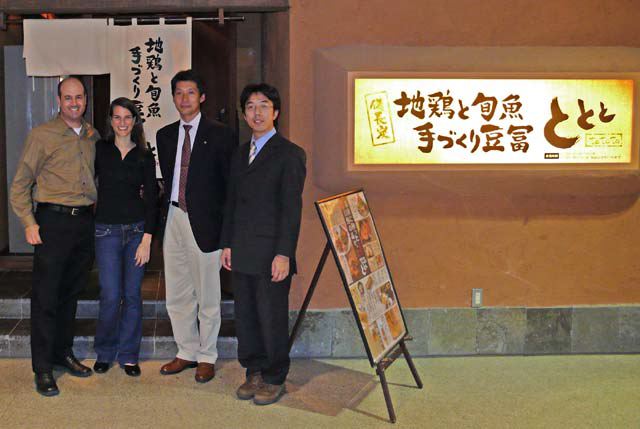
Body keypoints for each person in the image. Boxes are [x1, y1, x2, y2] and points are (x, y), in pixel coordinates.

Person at [10, 76, 99, 396]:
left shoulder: (92, 135)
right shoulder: (42, 135)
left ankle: (63, 353)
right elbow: (20, 185)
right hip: (52, 223)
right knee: (46, 298)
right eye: (68, 98)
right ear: (58, 101)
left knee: (70, 295)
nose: (74, 103)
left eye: (79, 97)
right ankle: (43, 368)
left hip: (83, 224)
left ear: (86, 100)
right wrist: (29, 222)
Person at [221, 83, 306, 405]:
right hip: (241, 249)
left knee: (271, 315)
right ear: (244, 114)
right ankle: (253, 369)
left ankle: (274, 376)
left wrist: (284, 253)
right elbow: (231, 202)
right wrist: (226, 243)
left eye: (264, 106)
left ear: (276, 112)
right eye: (251, 107)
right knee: (246, 316)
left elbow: (291, 209)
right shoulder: (241, 153)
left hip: (272, 252)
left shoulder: (290, 154)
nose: (257, 112)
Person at [156, 70, 235, 383]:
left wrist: (227, 234)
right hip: (173, 218)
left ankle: (207, 355)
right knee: (177, 293)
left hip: (205, 223)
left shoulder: (222, 135)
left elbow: (230, 188)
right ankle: (186, 351)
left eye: (190, 92)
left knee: (208, 295)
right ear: (173, 97)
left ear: (202, 97)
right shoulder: (164, 135)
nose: (184, 98)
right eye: (178, 93)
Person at [92, 97, 158, 377]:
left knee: (132, 296)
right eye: (116, 117)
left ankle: (129, 354)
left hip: (136, 232)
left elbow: (153, 200)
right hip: (105, 230)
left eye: (127, 117)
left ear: (135, 121)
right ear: (110, 121)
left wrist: (147, 238)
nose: (122, 123)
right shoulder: (99, 150)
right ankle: (105, 351)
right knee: (110, 294)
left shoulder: (145, 156)